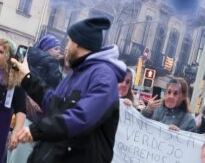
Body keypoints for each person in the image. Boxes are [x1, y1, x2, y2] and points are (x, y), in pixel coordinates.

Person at [11, 16, 126, 163]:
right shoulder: (76, 74)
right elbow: (54, 104)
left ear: (78, 44)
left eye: (69, 41)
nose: (66, 47)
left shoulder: (103, 76)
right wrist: (27, 78)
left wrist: (37, 130)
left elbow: (82, 117)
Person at [7, 35, 64, 163]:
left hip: (20, 115)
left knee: (14, 154)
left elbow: (17, 79)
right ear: (47, 48)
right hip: (35, 118)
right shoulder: (51, 64)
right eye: (56, 48)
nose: (58, 52)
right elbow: (56, 90)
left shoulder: (27, 60)